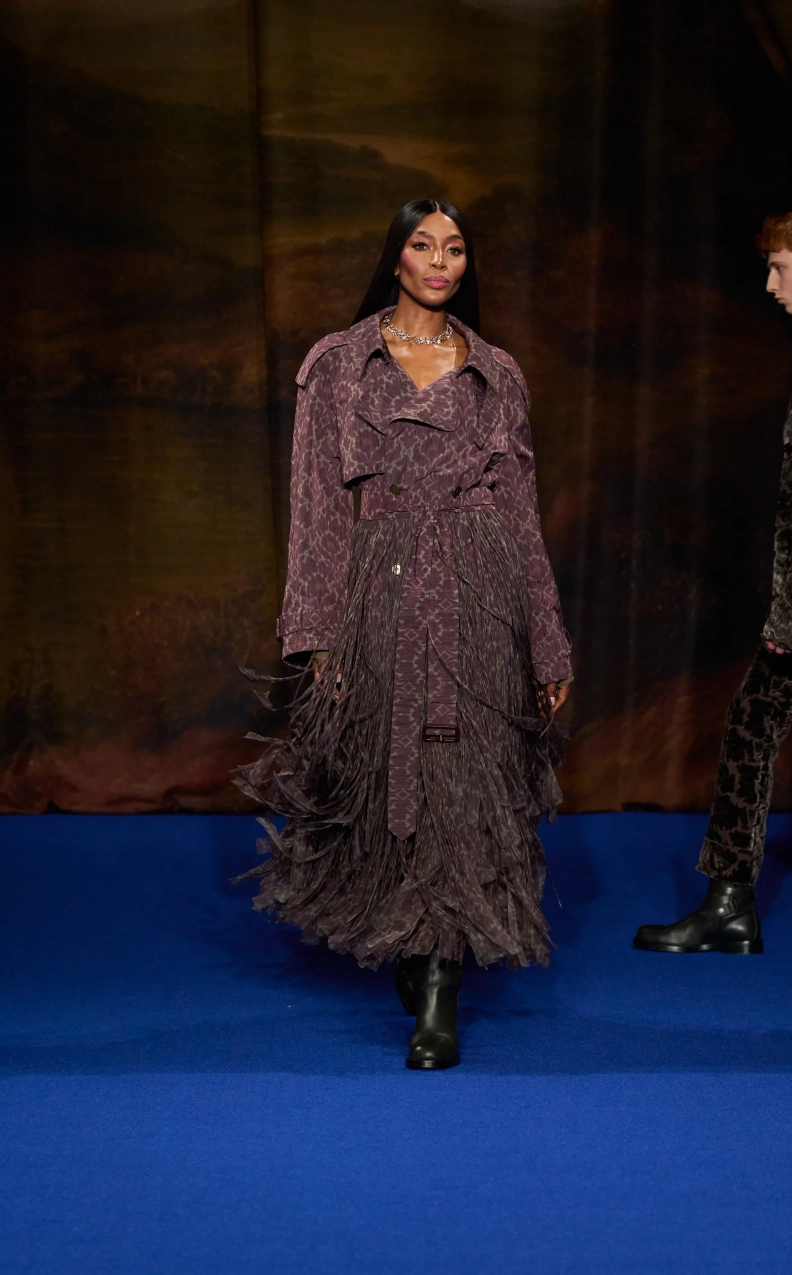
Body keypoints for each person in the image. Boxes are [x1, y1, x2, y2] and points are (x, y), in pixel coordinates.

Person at [236, 198, 572, 1067]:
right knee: (386, 781)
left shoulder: (496, 372)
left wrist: (547, 639)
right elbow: (316, 509)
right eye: (424, 245)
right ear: (396, 258)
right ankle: (409, 938)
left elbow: (522, 514)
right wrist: (318, 637)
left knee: (462, 784)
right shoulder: (339, 366)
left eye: (455, 248)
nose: (440, 261)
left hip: (479, 597)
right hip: (377, 600)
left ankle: (438, 988)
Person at [634, 203, 792, 955]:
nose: (769, 283)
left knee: (750, 728)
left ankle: (729, 904)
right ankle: (729, 904)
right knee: (751, 728)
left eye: (779, 267)